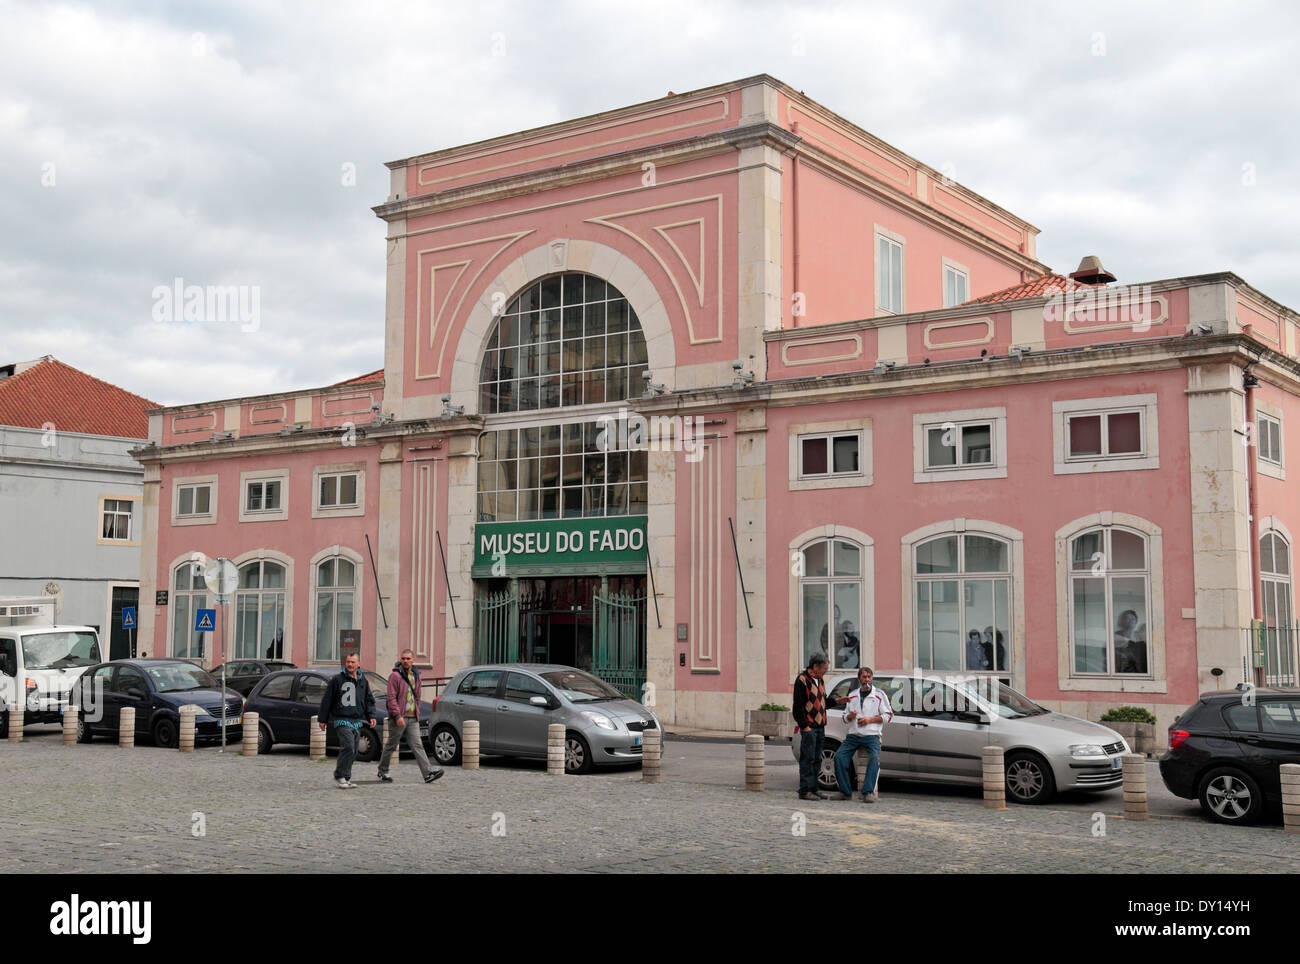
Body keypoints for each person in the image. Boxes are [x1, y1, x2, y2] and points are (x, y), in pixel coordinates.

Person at [377, 649, 444, 784]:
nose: (405, 661)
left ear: (413, 660)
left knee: (417, 745)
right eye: (403, 658)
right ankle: (382, 771)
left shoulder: (416, 675)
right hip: (399, 718)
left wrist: (417, 712)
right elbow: (391, 698)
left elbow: (417, 696)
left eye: (408, 658)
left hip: (412, 718)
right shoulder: (394, 676)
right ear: (400, 660)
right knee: (391, 744)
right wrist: (397, 715)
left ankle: (428, 773)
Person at [832, 666, 893, 802]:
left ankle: (868, 792)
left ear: (872, 679)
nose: (866, 680)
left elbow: (888, 715)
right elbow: (844, 718)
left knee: (874, 758)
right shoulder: (853, 695)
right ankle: (845, 792)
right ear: (859, 679)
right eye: (864, 677)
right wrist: (850, 717)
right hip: (853, 735)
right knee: (839, 757)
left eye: (869, 677)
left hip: (872, 735)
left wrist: (870, 720)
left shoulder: (879, 695)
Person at [318, 653, 377, 789]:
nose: (350, 665)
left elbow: (369, 700)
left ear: (358, 664)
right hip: (341, 719)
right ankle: (339, 775)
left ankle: (346, 777)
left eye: (353, 662)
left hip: (357, 719)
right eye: (348, 662)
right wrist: (323, 719)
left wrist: (371, 716)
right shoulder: (337, 680)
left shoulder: (363, 681)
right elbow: (327, 700)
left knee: (355, 749)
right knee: (348, 746)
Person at [792, 654, 832, 801]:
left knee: (817, 759)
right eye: (825, 669)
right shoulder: (802, 680)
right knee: (807, 759)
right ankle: (804, 790)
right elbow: (797, 707)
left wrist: (838, 701)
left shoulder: (820, 679)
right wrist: (805, 726)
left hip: (820, 725)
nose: (826, 672)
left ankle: (814, 788)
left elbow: (823, 702)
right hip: (809, 726)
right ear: (815, 666)